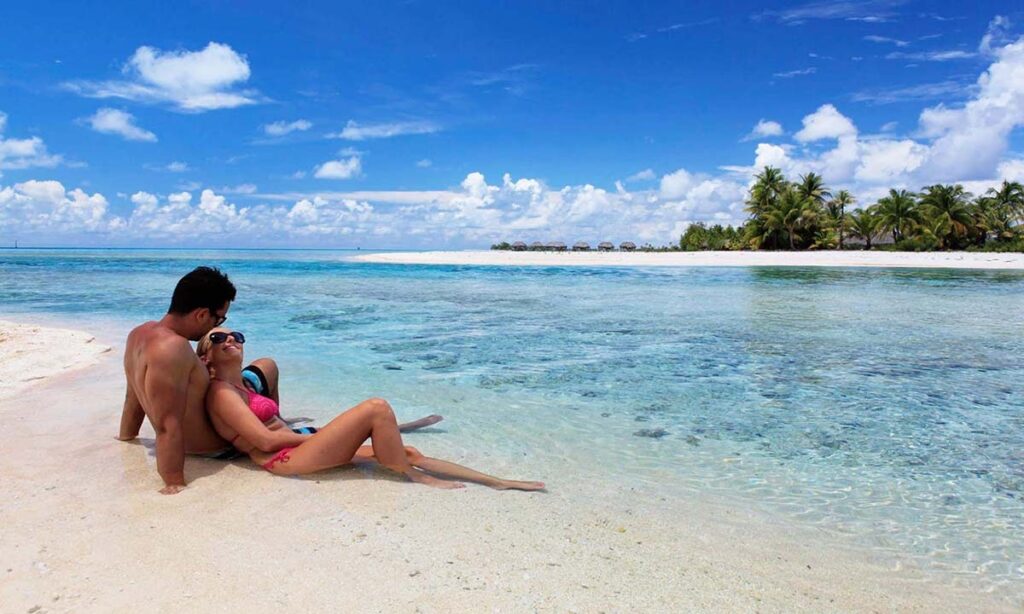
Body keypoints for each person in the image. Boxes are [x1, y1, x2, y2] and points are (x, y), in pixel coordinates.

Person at [198, 327, 545, 491]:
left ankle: (498, 482)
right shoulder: (221, 393)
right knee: (376, 409)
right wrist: (329, 437)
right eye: (218, 338)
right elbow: (266, 440)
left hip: (299, 443)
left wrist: (315, 433)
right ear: (206, 356)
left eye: (236, 336)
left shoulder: (244, 384)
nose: (230, 340)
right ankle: (409, 475)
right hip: (283, 460)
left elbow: (271, 414)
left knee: (407, 449)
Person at [119, 266, 238, 494]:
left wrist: (126, 436)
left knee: (260, 372)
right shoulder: (173, 348)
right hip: (216, 447)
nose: (217, 326)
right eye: (219, 318)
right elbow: (167, 424)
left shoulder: (138, 333)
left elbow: (133, 396)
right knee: (265, 368)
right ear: (202, 314)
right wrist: (174, 482)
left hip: (196, 442)